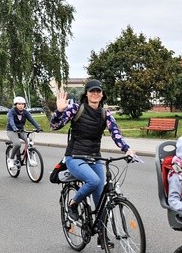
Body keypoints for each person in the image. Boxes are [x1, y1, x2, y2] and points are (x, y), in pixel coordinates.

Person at [51, 80, 138, 221]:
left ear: (102, 95)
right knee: (94, 181)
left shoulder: (106, 114)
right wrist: (60, 111)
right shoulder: (75, 109)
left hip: (95, 157)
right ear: (86, 93)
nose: (95, 94)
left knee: (100, 197)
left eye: (98, 91)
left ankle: (101, 234)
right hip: (75, 156)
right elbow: (54, 126)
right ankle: (73, 203)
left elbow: (116, 133)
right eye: (92, 91)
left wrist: (127, 149)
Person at [6, 96, 42, 167]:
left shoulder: (25, 112)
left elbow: (32, 120)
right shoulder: (12, 112)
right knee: (17, 144)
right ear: (15, 105)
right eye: (19, 104)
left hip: (21, 130)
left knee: (30, 141)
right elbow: (11, 121)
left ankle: (31, 159)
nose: (21, 106)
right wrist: (14, 128)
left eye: (22, 104)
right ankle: (11, 159)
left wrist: (38, 127)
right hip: (11, 131)